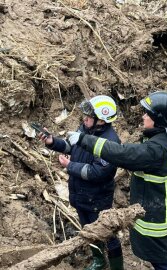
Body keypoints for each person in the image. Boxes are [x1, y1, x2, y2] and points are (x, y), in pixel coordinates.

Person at [66, 91, 167, 270]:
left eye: (148, 113)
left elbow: (124, 154)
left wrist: (85, 140)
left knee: (161, 260)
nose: (143, 116)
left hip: (155, 216)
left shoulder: (156, 149)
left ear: (160, 119)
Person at [39, 95, 124, 270]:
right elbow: (71, 146)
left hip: (97, 199)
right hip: (82, 196)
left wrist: (70, 166)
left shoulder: (110, 142)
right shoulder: (86, 128)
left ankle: (117, 267)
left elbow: (97, 172)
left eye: (89, 116)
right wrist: (52, 141)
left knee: (107, 235)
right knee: (88, 231)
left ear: (101, 119)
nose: (84, 118)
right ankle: (99, 261)